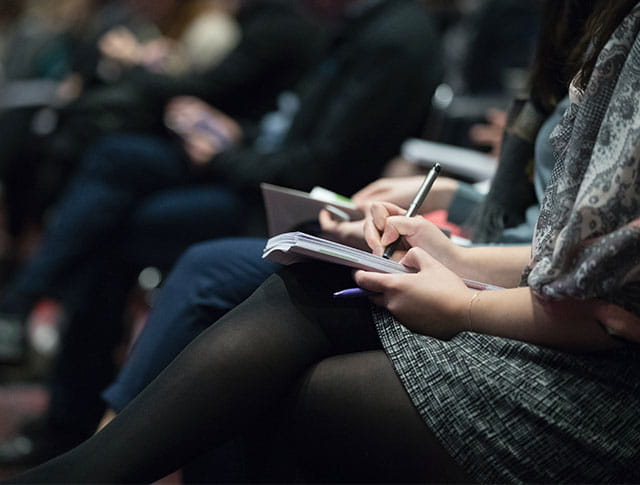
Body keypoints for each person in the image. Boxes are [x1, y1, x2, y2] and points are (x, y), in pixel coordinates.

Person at [5, 0, 640, 482]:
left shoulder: (390, 35)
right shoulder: (600, 33)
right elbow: (564, 251)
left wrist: (466, 297)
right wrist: (456, 254)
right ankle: (83, 448)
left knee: (249, 335)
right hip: (536, 295)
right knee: (273, 268)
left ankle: (79, 440)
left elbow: (608, 303)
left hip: (604, 386)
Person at [0, 0, 443, 468]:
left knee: (137, 236)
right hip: (261, 174)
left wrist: (223, 156)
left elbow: (316, 165)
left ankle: (87, 440)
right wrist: (235, 137)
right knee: (116, 164)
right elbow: (287, 129)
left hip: (299, 208)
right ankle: (77, 422)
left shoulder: (387, 37)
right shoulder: (350, 25)